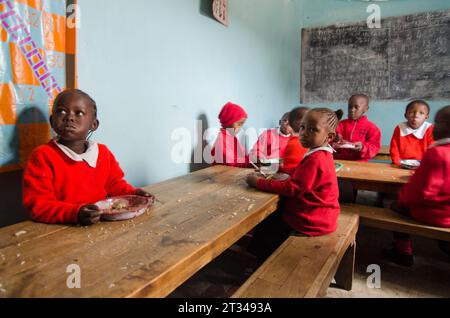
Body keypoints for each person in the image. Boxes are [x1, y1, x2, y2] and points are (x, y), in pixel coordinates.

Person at [23, 89, 154, 225]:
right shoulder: (42, 156)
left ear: (94, 125)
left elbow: (115, 186)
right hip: (61, 231)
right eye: (61, 111)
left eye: (79, 113)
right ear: (52, 121)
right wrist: (75, 213)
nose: (69, 117)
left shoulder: (103, 153)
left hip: (101, 226)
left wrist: (134, 194)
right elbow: (38, 205)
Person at [246, 108, 343, 260]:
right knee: (271, 220)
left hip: (311, 220)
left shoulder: (316, 160)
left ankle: (263, 264)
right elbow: (300, 175)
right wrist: (276, 172)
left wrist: (258, 182)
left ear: (329, 136)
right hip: (321, 215)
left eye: (312, 129)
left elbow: (293, 189)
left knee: (266, 227)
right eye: (303, 127)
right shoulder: (320, 153)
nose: (304, 133)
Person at [385, 105, 450, 266]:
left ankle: (403, 251)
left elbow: (418, 192)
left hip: (435, 214)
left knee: (393, 206)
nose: (434, 127)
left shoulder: (437, 153)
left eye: (438, 123)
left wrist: (402, 198)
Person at [333, 94, 381, 162]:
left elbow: (374, 148)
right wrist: (334, 139)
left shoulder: (372, 128)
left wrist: (362, 147)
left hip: (360, 163)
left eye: (356, 107)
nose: (352, 110)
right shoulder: (339, 124)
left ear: (366, 109)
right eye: (350, 107)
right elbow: (328, 141)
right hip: (340, 161)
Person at [389, 100, 434, 166]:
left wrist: (427, 165)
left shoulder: (429, 128)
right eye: (411, 112)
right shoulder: (400, 127)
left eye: (421, 113)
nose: (416, 115)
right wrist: (397, 162)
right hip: (402, 163)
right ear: (405, 115)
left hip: (424, 164)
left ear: (426, 117)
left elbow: (433, 149)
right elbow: (394, 147)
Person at [211, 102, 250, 168]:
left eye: (242, 124)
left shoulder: (232, 138)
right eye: (239, 124)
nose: (240, 127)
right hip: (223, 176)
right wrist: (251, 160)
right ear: (228, 122)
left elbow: (242, 157)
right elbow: (233, 165)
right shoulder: (222, 140)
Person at [279, 106, 310, 174]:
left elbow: (290, 168)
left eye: (289, 121)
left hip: (293, 174)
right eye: (285, 120)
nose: (287, 123)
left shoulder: (297, 141)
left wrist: (279, 168)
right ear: (280, 122)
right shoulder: (294, 139)